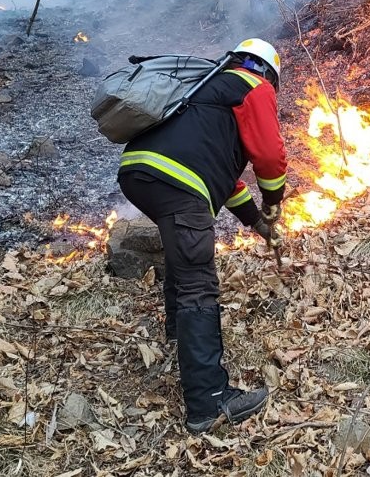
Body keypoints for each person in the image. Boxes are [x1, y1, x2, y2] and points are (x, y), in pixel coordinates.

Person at [117, 37, 287, 434]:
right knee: (198, 281)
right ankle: (209, 401)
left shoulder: (205, 92)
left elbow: (222, 179)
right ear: (268, 72)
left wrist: (257, 224)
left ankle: (180, 337)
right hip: (178, 181)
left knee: (183, 250)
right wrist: (274, 201)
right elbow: (269, 155)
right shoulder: (253, 85)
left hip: (139, 172)